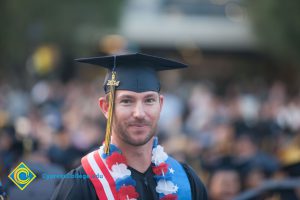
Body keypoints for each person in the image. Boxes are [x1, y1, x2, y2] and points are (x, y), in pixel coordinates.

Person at [51, 53, 207, 200]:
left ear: (160, 105)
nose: (139, 113)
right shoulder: (82, 184)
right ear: (106, 107)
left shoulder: (186, 181)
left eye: (149, 101)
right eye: (127, 101)